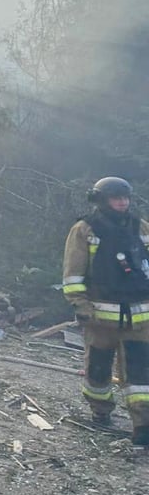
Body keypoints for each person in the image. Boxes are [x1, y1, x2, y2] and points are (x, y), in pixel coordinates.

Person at [62, 176, 149, 446]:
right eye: (116, 197)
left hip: (141, 318)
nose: (122, 202)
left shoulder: (141, 227)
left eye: (125, 197)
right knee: (98, 369)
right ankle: (100, 413)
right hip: (100, 318)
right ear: (102, 200)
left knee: (140, 376)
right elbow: (73, 274)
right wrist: (81, 306)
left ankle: (143, 427)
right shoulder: (85, 230)